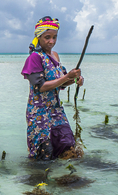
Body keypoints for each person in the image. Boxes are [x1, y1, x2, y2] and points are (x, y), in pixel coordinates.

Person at [21, 16, 84, 160]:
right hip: (39, 113)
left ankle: (67, 173)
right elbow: (41, 87)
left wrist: (75, 79)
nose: (51, 41)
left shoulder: (55, 55)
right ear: (39, 37)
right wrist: (67, 77)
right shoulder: (35, 57)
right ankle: (37, 174)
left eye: (54, 37)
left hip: (56, 110)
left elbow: (60, 83)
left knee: (68, 145)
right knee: (45, 153)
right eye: (47, 37)